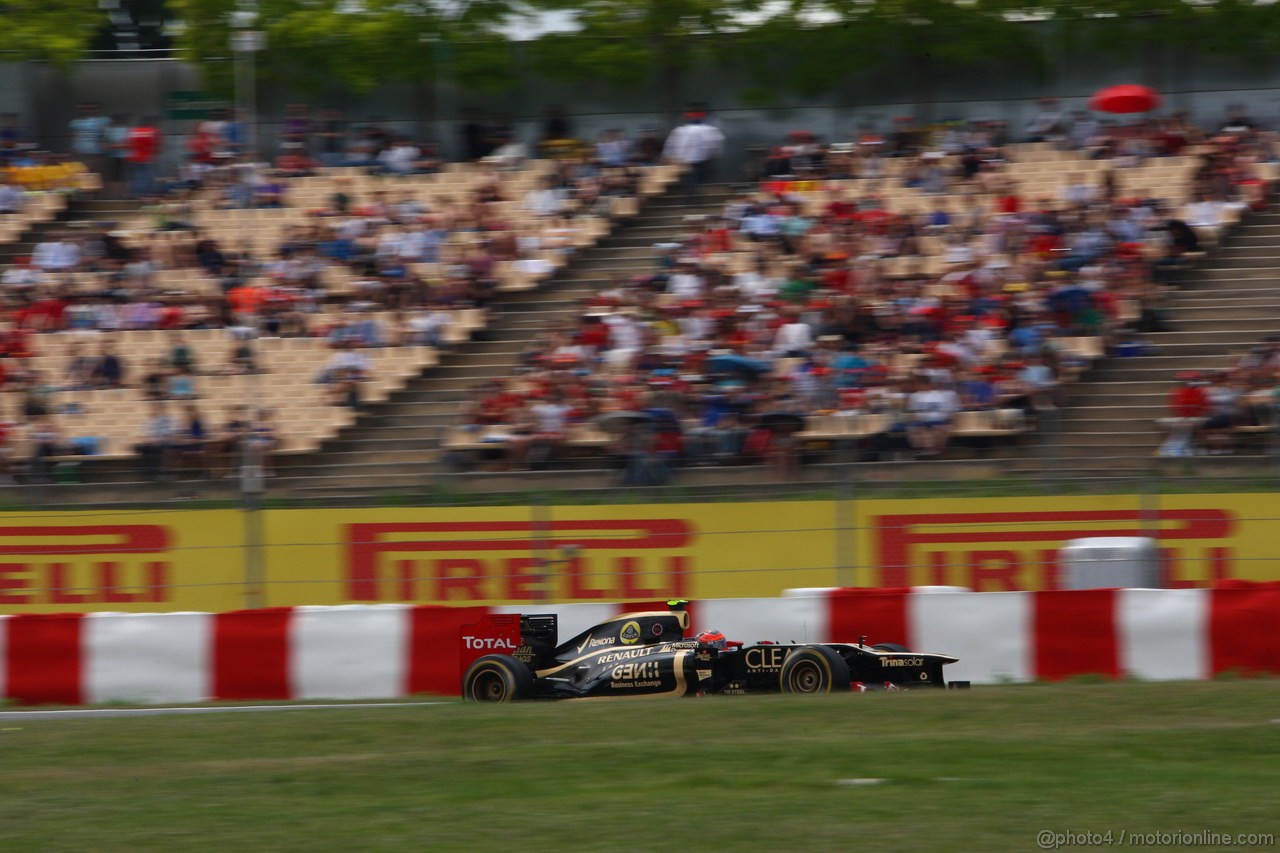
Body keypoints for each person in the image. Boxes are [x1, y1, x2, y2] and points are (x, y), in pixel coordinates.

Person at [663, 108, 725, 196]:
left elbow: (670, 144)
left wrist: (668, 155)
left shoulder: (679, 131)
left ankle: (691, 195)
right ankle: (695, 193)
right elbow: (716, 142)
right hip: (702, 160)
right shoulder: (709, 130)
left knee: (689, 179)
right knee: (698, 178)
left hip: (684, 160)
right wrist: (716, 153)